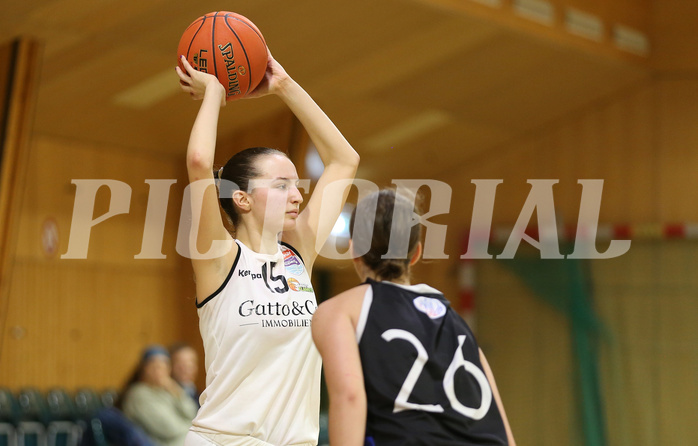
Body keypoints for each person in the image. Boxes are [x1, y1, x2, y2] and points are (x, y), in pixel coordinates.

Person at [175, 44, 360, 446]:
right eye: (281, 186)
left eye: (297, 185)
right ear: (241, 198)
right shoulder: (218, 257)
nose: (297, 196)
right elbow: (197, 162)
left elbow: (344, 160)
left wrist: (284, 85)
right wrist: (213, 94)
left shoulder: (299, 253)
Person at [311, 190, 516, 446]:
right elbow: (497, 419)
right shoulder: (457, 322)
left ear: (353, 249)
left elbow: (349, 397)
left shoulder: (339, 310)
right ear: (416, 252)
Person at [121, 345, 198, 446]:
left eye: (164, 366)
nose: (159, 371)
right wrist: (193, 427)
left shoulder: (166, 391)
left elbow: (193, 413)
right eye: (155, 366)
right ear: (144, 368)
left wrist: (176, 391)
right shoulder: (139, 394)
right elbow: (169, 429)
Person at [169, 343, 200, 407]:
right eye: (181, 363)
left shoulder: (201, 396)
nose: (186, 369)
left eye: (191, 363)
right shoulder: (165, 395)